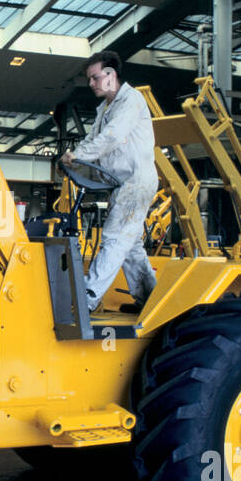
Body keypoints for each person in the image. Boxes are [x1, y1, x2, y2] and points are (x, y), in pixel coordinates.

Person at [63, 51, 158, 313]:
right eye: (90, 79)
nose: (91, 83)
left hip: (137, 182)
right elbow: (94, 138)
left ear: (111, 75)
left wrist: (78, 156)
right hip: (122, 184)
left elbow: (112, 138)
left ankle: (87, 299)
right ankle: (151, 300)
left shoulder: (131, 101)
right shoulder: (106, 108)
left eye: (95, 77)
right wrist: (73, 158)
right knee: (131, 247)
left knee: (115, 238)